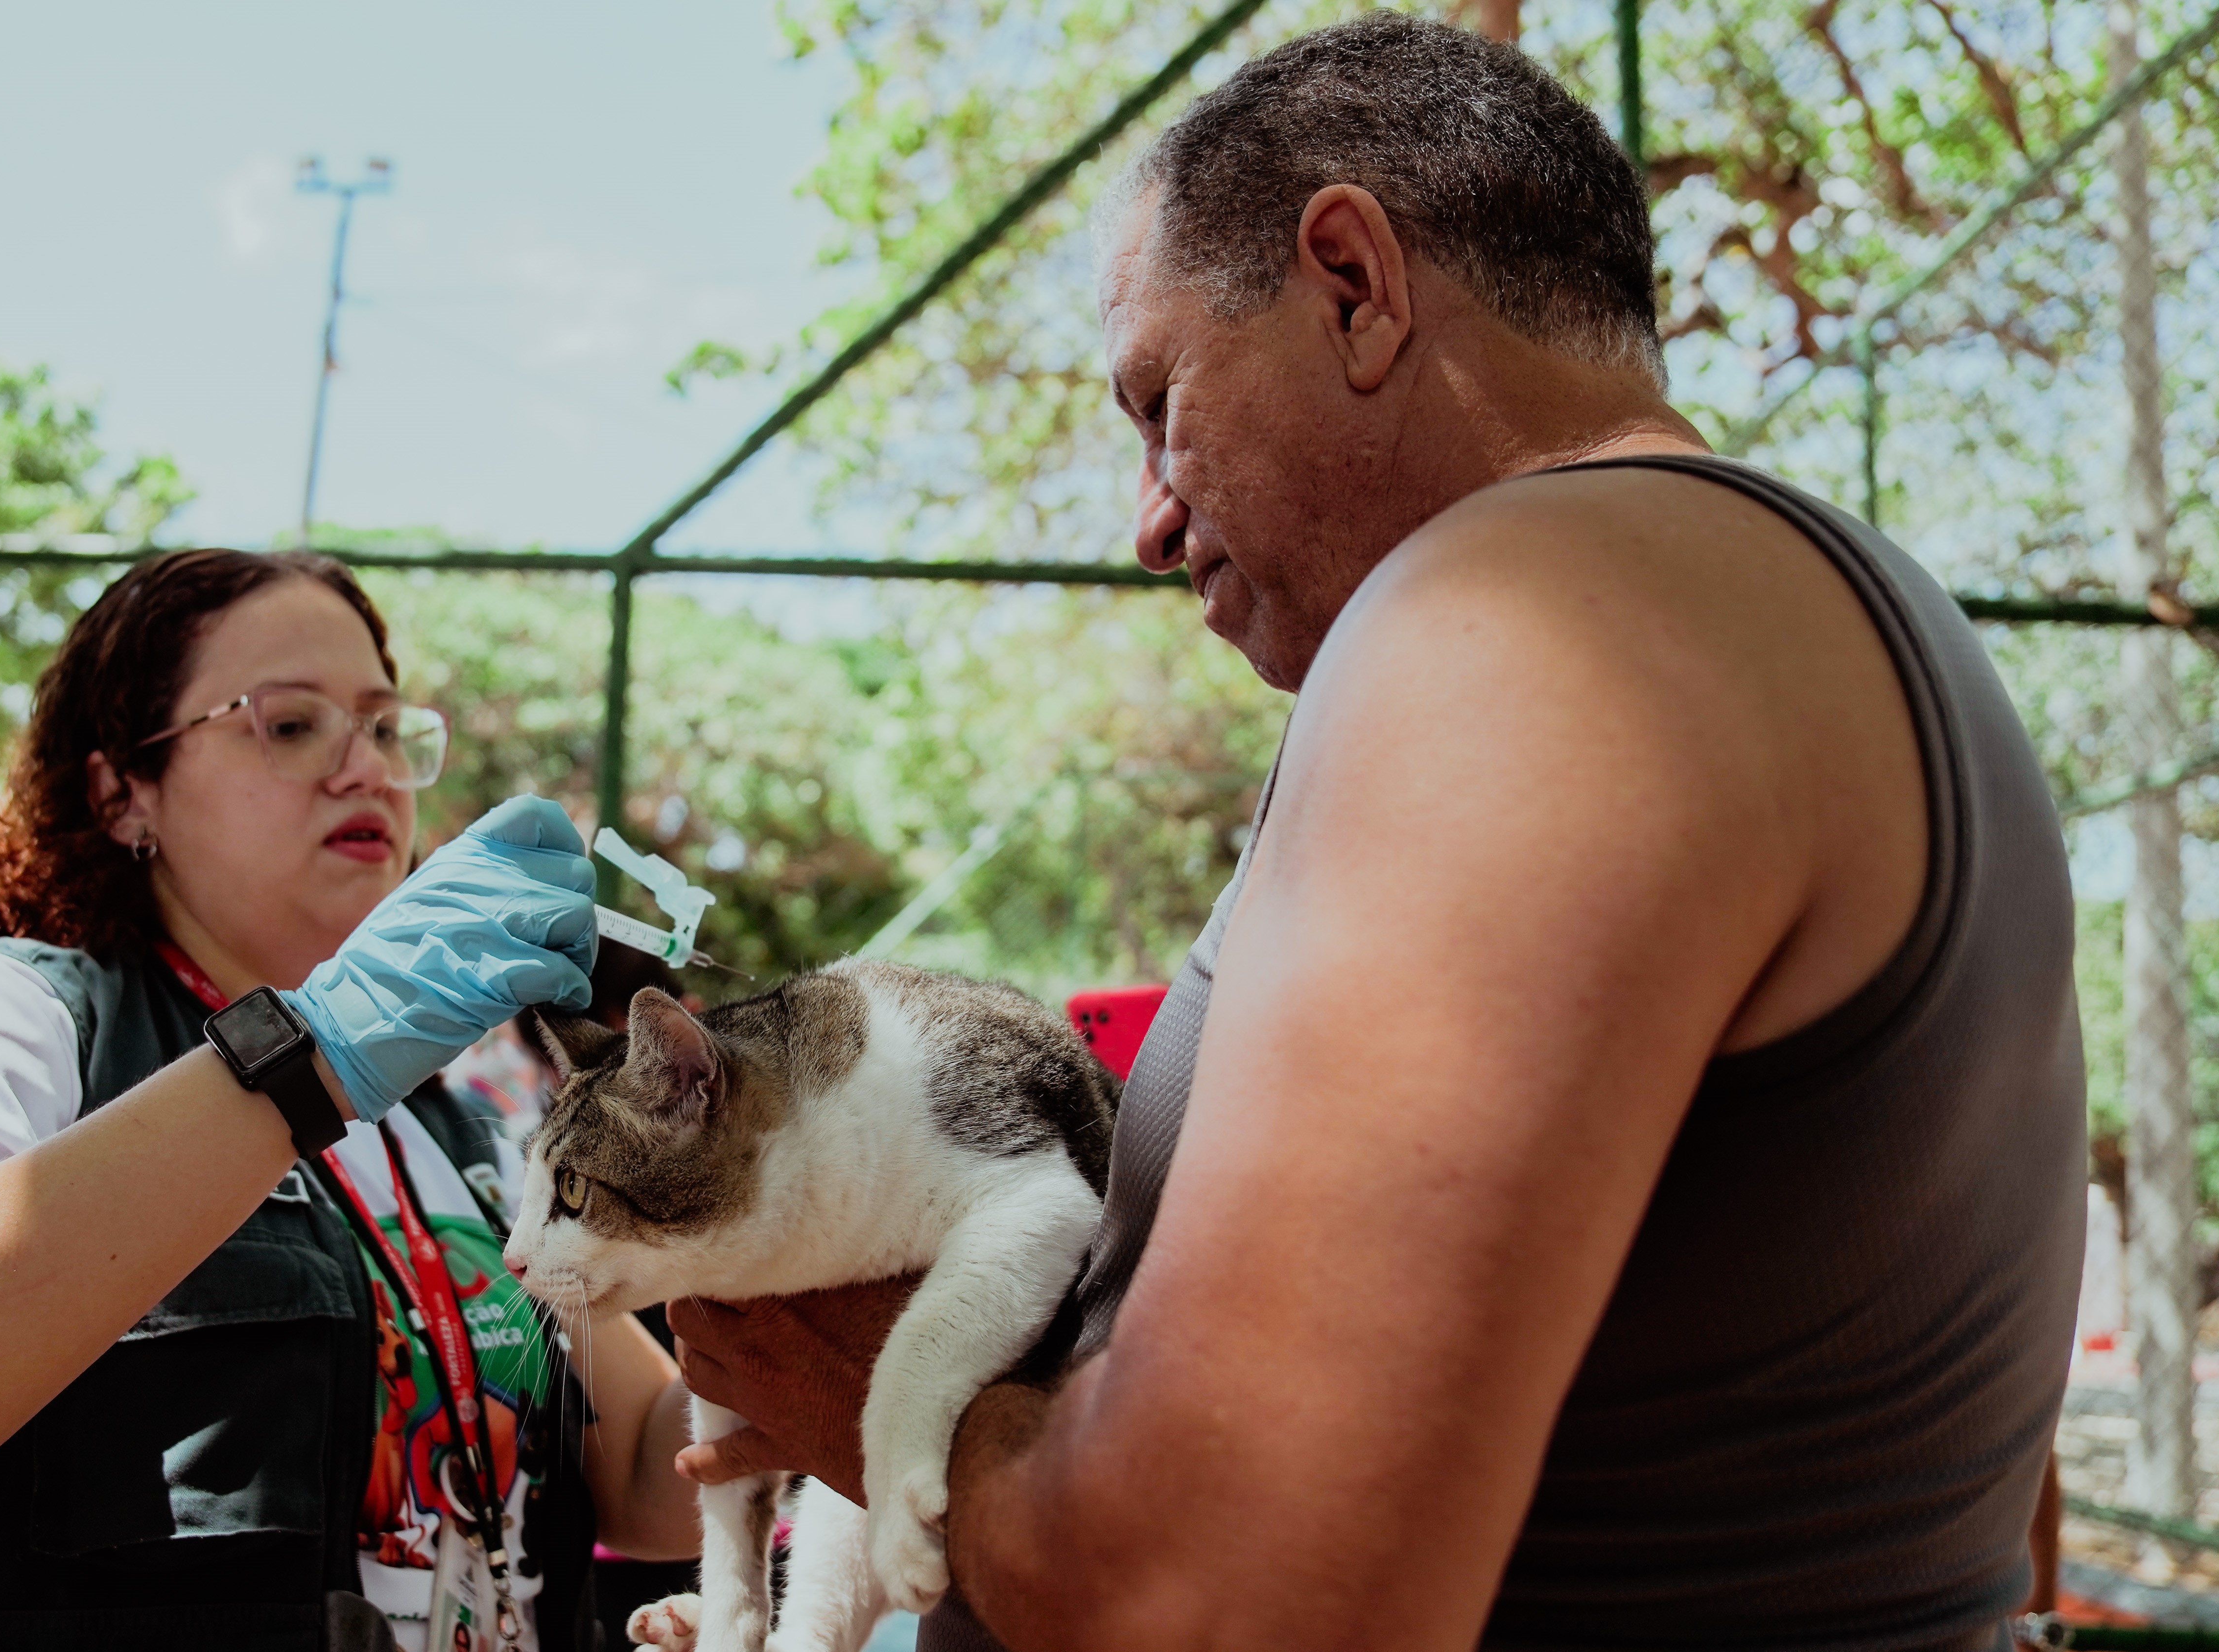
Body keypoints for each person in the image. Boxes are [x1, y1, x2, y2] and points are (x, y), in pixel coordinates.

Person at [668, 18, 2083, 1651]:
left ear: (1354, 284)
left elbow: (1238, 1599)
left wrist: (873, 1396)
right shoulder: (1817, 611)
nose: (1147, 521)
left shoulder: (1535, 611)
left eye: (1159, 400)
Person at [0, 549, 700, 1652]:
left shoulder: (443, 1122)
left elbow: (641, 1459)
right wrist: (305, 1062)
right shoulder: (11, 1017)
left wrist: (821, 1255)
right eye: (294, 724)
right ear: (123, 792)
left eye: (389, 728)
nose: (372, 771)